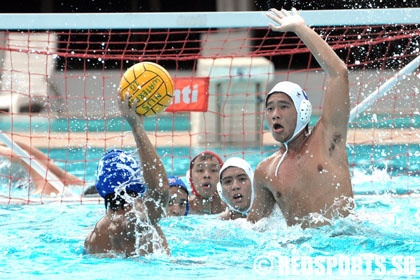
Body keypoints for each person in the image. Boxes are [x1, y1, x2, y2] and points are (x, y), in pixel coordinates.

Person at [247, 8, 354, 228]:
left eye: (284, 106)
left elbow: (339, 73)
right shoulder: (266, 172)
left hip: (346, 240)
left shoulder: (327, 139)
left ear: (303, 111)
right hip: (302, 250)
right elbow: (254, 228)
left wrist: (300, 29)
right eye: (270, 108)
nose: (275, 113)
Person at [84, 94, 170, 257]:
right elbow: (161, 189)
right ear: (138, 181)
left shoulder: (93, 238)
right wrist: (137, 128)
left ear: (100, 188)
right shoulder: (140, 215)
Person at [0, 141, 86, 195]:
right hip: (82, 192)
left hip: (54, 197)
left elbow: (23, 156)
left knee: (24, 156)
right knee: (62, 176)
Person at [187, 150, 225, 214]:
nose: (207, 175)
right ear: (191, 178)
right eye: (200, 170)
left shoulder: (232, 209)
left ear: (223, 177)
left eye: (213, 170)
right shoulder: (182, 208)